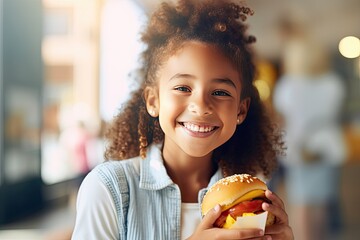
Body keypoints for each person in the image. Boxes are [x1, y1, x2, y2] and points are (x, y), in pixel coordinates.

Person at [72, 0, 293, 239]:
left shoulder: (254, 194)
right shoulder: (108, 188)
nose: (200, 105)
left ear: (240, 110)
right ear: (153, 101)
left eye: (220, 92)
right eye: (182, 88)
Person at [273, 15, 346, 240]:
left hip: (299, 151)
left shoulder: (288, 87)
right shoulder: (333, 85)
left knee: (302, 206)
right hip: (327, 149)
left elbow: (282, 120)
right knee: (320, 206)